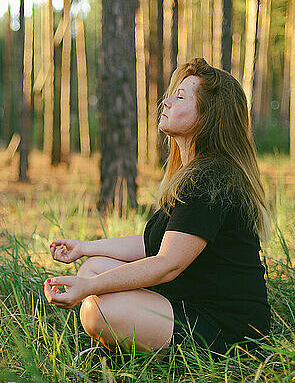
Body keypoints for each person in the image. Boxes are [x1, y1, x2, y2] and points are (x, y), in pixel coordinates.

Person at [43, 57, 271, 356]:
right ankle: (126, 348)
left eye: (180, 97)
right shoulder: (193, 172)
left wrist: (89, 289)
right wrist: (86, 246)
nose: (165, 103)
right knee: (94, 266)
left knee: (98, 310)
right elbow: (154, 244)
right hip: (190, 300)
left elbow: (167, 263)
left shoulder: (210, 179)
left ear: (208, 116)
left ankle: (134, 353)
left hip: (230, 330)